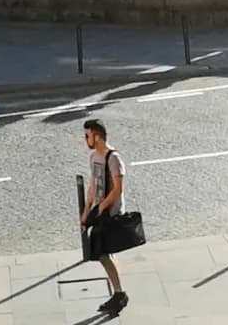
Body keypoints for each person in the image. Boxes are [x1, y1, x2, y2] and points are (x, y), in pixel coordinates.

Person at [80, 119, 129, 316]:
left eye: (87, 135)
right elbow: (93, 186)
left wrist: (101, 209)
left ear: (97, 136)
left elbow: (117, 190)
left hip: (111, 211)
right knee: (104, 253)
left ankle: (120, 294)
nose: (86, 139)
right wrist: (86, 212)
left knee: (101, 253)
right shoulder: (94, 157)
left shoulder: (113, 159)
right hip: (100, 209)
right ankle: (119, 292)